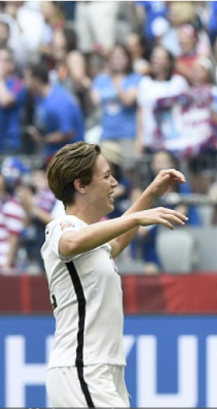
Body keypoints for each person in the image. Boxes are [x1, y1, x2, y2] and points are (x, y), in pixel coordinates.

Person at [42, 142, 188, 407]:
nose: (114, 183)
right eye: (107, 175)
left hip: (101, 370)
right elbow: (70, 243)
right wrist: (136, 218)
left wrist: (150, 195)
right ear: (81, 185)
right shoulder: (62, 227)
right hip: (82, 368)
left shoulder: (92, 237)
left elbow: (116, 243)